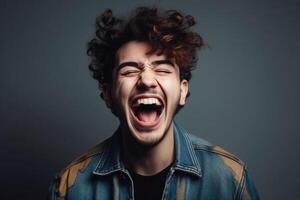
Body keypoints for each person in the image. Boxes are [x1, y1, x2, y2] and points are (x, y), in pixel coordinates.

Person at [48, 7, 259, 200]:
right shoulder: (71, 188)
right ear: (108, 95)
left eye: (163, 69)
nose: (147, 81)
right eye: (129, 71)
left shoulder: (228, 179)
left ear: (182, 90)